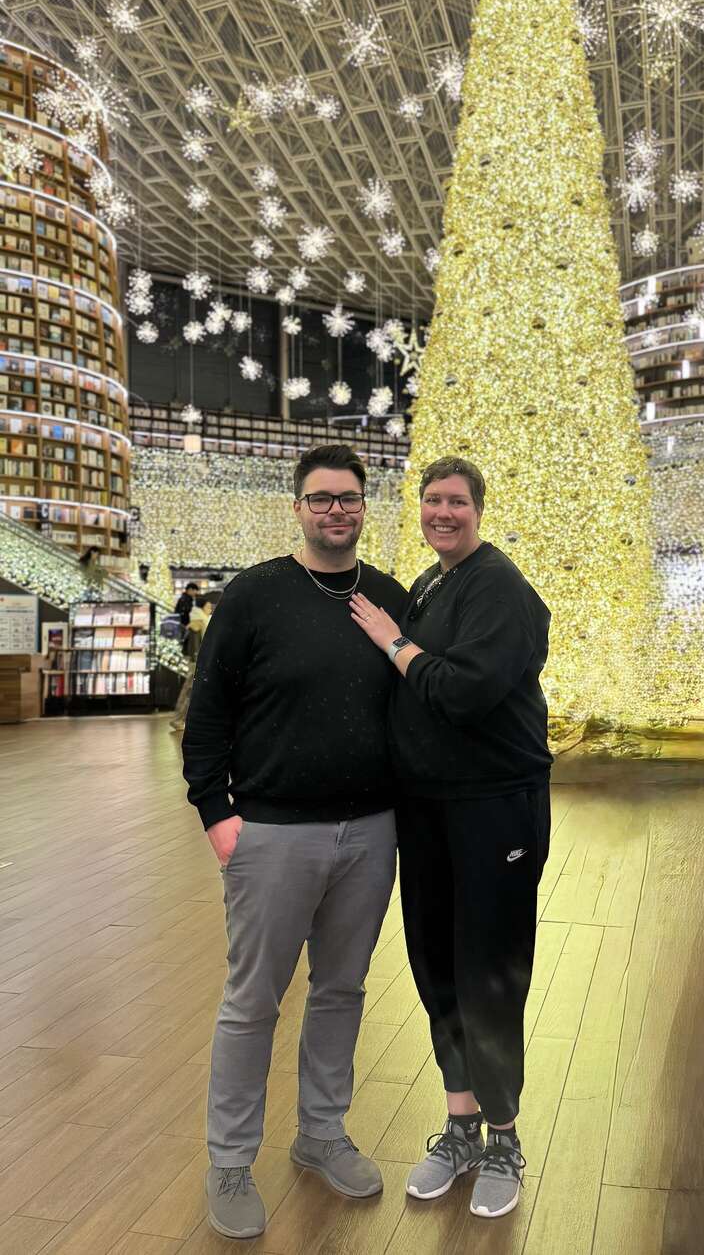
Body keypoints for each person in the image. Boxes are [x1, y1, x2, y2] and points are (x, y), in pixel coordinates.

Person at [182, 443, 407, 1241]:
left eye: (348, 497)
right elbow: (207, 712)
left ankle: (321, 1132)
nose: (335, 510)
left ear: (364, 506)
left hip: (371, 831)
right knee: (253, 1002)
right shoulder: (253, 596)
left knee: (342, 989)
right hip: (272, 832)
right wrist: (216, 813)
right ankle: (230, 1159)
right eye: (321, 498)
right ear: (299, 507)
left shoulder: (389, 598)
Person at [349, 455, 551, 1221]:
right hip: (429, 808)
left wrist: (393, 641)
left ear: (478, 509)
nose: (443, 512)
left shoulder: (497, 585)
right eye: (432, 499)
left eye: (456, 501)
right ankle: (461, 1124)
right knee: (436, 963)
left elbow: (463, 692)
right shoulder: (432, 583)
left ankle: (504, 1137)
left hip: (494, 808)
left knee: (488, 971)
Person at [170, 594, 215, 732]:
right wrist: (198, 661)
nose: (210, 609)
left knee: (191, 692)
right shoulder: (197, 623)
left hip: (198, 662)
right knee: (190, 692)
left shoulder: (200, 621)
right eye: (208, 607)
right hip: (197, 663)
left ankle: (182, 720)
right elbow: (195, 647)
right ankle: (178, 719)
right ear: (202, 608)